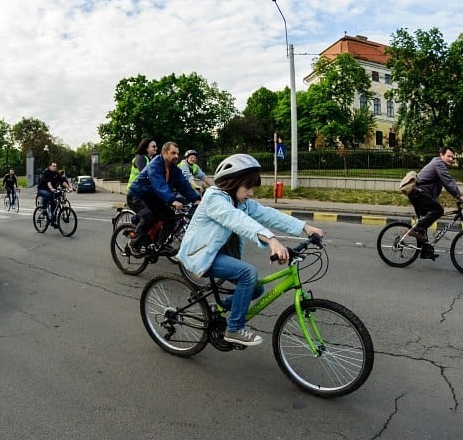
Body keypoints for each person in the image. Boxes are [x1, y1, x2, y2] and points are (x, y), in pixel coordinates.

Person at [178, 154, 324, 346]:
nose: (251, 193)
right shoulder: (214, 199)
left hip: (219, 254)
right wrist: (272, 241)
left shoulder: (241, 202)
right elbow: (238, 221)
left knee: (256, 288)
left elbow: (268, 214)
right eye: (248, 187)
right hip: (201, 255)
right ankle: (234, 329)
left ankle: (217, 308)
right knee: (248, 273)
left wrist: (304, 227)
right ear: (232, 183)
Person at [127, 141, 201, 252]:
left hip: (153, 198)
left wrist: (196, 199)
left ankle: (160, 245)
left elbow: (183, 184)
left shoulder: (173, 168)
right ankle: (133, 243)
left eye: (177, 153)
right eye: (173, 153)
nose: (176, 156)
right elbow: (159, 184)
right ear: (164, 153)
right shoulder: (155, 165)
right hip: (137, 196)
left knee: (170, 218)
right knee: (149, 217)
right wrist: (172, 200)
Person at [407, 147, 463, 255]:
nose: (451, 159)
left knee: (424, 221)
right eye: (449, 156)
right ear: (441, 155)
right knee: (439, 210)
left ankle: (424, 251)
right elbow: (448, 182)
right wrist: (460, 197)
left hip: (418, 193)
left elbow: (445, 185)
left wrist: (456, 196)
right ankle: (417, 229)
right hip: (418, 193)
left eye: (453, 157)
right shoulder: (439, 164)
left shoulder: (439, 165)